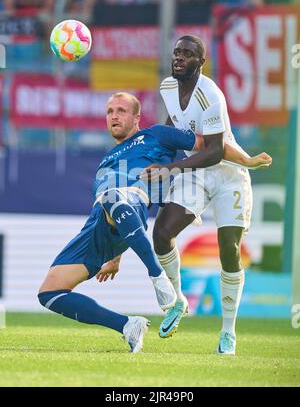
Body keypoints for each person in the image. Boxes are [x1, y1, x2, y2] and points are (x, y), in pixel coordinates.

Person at [38, 91, 269, 354]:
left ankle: (158, 277)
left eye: (121, 111)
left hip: (131, 201)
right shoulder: (107, 158)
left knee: (114, 195)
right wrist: (115, 257)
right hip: (98, 223)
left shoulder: (156, 135)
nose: (114, 115)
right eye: (110, 111)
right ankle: (127, 325)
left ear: (137, 117)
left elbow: (213, 146)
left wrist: (247, 161)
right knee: (49, 292)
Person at [141, 35, 272, 355]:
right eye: (176, 52)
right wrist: (155, 153)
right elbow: (175, 125)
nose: (179, 58)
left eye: (187, 54)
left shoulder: (211, 95)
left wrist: (171, 169)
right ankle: (179, 300)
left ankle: (228, 332)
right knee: (161, 232)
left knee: (228, 248)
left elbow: (214, 152)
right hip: (195, 172)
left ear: (201, 63)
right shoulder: (168, 87)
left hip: (227, 175)